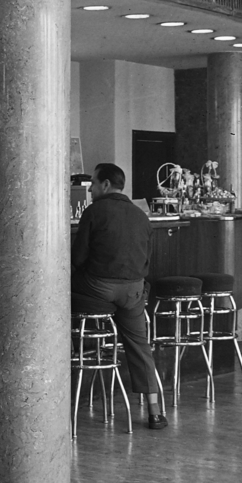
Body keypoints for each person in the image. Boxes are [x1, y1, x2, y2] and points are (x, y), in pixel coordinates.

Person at [71, 162, 166, 429]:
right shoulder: (140, 215)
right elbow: (146, 260)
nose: (90, 188)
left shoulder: (94, 211)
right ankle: (154, 411)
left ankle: (67, 365)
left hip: (98, 289)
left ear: (105, 184)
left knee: (59, 290)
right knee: (139, 345)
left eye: (93, 183)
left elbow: (78, 257)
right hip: (133, 291)